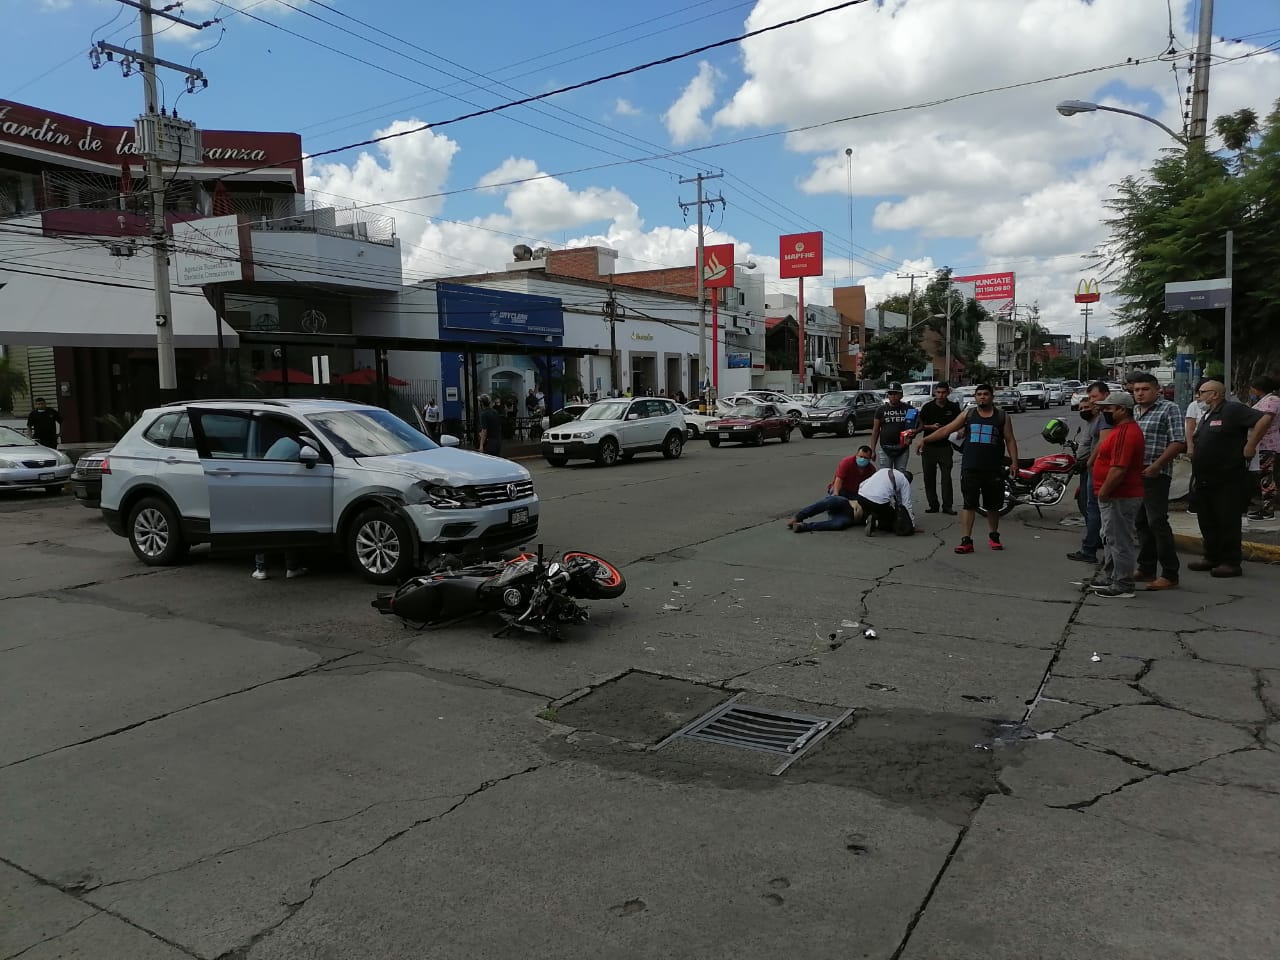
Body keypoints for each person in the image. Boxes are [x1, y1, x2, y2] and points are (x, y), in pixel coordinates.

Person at [922, 384, 1018, 554]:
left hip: (993, 468)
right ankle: (966, 541)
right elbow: (946, 430)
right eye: (979, 394)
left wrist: (1014, 462)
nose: (982, 397)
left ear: (991, 397)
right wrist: (926, 440)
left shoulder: (1002, 416)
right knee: (969, 505)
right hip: (970, 467)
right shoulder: (969, 414)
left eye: (985, 394)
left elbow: (1010, 439)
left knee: (993, 506)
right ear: (975, 397)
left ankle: (994, 536)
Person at [1189, 380, 1270, 577]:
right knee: (1207, 520)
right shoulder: (1209, 414)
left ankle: (1230, 561)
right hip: (1205, 478)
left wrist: (1251, 445)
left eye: (1202, 392)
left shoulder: (1233, 409)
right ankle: (1212, 556)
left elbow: (1265, 419)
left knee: (1227, 520)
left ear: (1215, 394)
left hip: (1227, 478)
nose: (1199, 397)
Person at [1129, 372, 1186, 591]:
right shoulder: (1135, 411)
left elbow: (1178, 441)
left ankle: (1170, 573)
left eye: (1145, 389)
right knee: (1141, 522)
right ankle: (1146, 567)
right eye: (1136, 390)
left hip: (1156, 474)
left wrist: (1157, 465)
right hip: (1135, 474)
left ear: (1156, 389)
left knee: (1157, 522)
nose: (1140, 394)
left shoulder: (1169, 409)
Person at [1090, 391, 1147, 598]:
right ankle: (1111, 576)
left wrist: (1104, 493)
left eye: (1108, 409)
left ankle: (1123, 582)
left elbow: (1119, 468)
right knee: (1111, 537)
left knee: (1119, 540)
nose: (1104, 412)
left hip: (1119, 495)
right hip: (1116, 494)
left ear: (1122, 410)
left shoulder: (1125, 432)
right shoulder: (1120, 430)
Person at [1067, 381, 1111, 563]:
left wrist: (1089, 462)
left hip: (1099, 467)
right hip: (1094, 467)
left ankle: (1090, 549)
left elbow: (1103, 443)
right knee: (1093, 508)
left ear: (1105, 395)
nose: (1092, 401)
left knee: (1094, 508)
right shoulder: (1099, 416)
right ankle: (1095, 543)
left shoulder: (1106, 417)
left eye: (1094, 397)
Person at [786, 445, 877, 532]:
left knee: (839, 524)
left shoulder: (871, 470)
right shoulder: (847, 462)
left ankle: (804, 527)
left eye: (865, 458)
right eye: (861, 456)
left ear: (869, 459)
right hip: (843, 493)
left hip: (856, 501)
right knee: (835, 500)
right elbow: (838, 481)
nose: (862, 459)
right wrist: (835, 494)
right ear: (856, 455)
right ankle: (798, 517)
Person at [915, 383, 961, 514]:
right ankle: (933, 505)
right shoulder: (927, 407)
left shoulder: (953, 407)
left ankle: (947, 506)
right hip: (929, 446)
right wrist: (931, 427)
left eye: (943, 392)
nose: (941, 395)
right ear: (934, 393)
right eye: (938, 392)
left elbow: (960, 422)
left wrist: (960, 430)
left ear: (948, 393)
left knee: (946, 477)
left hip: (945, 446)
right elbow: (920, 426)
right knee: (929, 477)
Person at [1245, 375, 1279, 521]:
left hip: (1267, 443)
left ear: (1258, 388)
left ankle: (1268, 510)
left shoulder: (1272, 401)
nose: (1250, 391)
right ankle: (1265, 508)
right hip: (1261, 444)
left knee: (1266, 477)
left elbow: (1265, 422)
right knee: (1263, 477)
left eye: (1252, 388)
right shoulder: (1264, 401)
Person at [855, 467, 921, 536]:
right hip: (878, 503)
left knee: (874, 507)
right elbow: (907, 504)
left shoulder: (884, 470)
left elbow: (862, 484)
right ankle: (876, 523)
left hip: (861, 497)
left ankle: (868, 519)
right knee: (891, 517)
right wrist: (911, 524)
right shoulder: (905, 481)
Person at [870, 383, 914, 471]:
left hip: (902, 448)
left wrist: (913, 434)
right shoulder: (881, 410)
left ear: (901, 395)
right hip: (885, 447)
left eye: (895, 394)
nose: (893, 396)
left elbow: (918, 425)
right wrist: (873, 450)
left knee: (900, 475)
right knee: (885, 475)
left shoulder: (908, 409)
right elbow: (875, 430)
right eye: (890, 394)